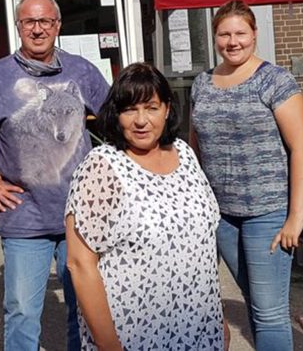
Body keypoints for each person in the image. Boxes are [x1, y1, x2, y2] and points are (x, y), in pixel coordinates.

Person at [0, 0, 110, 350]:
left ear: (58, 25)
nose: (38, 29)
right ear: (18, 27)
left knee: (83, 306)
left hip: (80, 215)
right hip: (25, 217)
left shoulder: (82, 71)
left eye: (45, 21)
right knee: (21, 310)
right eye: (29, 22)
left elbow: (117, 120)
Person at [65, 62, 225, 350]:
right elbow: (80, 263)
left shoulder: (185, 155)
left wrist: (218, 317)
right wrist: (109, 344)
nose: (141, 121)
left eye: (151, 107)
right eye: (130, 109)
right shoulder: (102, 166)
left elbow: (202, 245)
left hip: (199, 330)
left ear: (166, 109)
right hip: (135, 335)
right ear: (117, 114)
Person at [190, 0, 303, 350]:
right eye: (224, 34)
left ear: (255, 33)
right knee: (255, 304)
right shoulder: (202, 84)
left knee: (270, 314)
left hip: (268, 213)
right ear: (214, 37)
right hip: (221, 215)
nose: (233, 41)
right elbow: (195, 147)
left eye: (240, 33)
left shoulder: (274, 81)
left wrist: (295, 218)